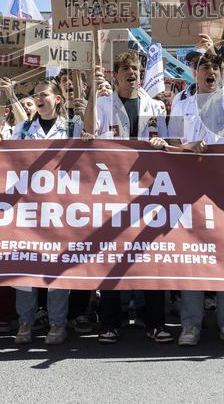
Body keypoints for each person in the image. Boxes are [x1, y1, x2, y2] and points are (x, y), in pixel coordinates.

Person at [149, 13, 224, 347]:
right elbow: (175, 143)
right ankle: (190, 324)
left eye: (213, 66)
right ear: (193, 72)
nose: (208, 71)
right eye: (202, 66)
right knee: (191, 255)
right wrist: (182, 147)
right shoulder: (181, 101)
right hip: (190, 188)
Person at [85, 46, 172, 345]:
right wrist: (90, 97)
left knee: (151, 257)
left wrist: (163, 142)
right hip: (112, 191)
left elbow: (170, 143)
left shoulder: (155, 107)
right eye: (126, 71)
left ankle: (155, 323)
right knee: (111, 256)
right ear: (116, 75)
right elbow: (89, 133)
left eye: (136, 70)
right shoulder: (103, 104)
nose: (132, 75)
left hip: (148, 191)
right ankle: (110, 323)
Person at [10, 79, 77, 345]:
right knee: (25, 266)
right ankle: (25, 321)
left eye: (44, 95)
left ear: (57, 99)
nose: (38, 99)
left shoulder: (72, 127)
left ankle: (57, 324)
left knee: (56, 268)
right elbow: (5, 159)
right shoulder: (23, 128)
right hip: (28, 207)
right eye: (35, 95)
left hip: (62, 208)